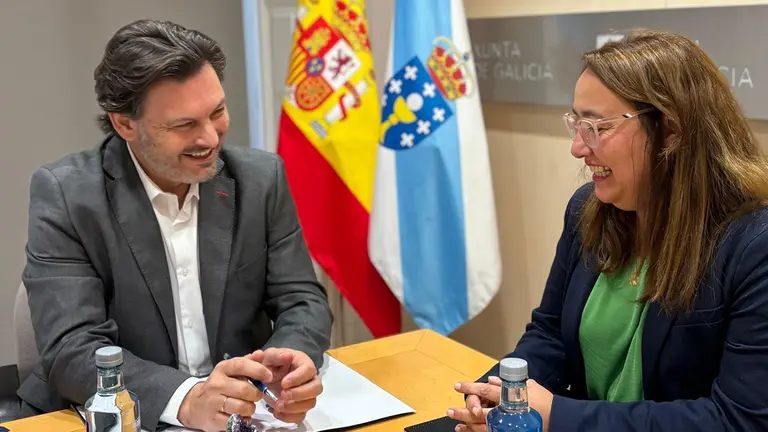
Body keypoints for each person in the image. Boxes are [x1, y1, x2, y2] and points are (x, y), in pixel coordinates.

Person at [18, 19, 333, 432]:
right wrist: (186, 398)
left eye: (217, 112)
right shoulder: (68, 195)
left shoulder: (260, 178)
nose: (210, 138)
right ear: (124, 124)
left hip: (244, 415)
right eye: (184, 125)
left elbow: (302, 298)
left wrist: (286, 365)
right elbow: (72, 350)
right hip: (121, 416)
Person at [449, 29, 768, 431]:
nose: (578, 148)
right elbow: (550, 336)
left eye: (597, 128)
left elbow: (738, 420)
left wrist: (559, 417)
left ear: (671, 131)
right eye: (576, 125)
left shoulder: (755, 245)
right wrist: (502, 393)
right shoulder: (588, 208)